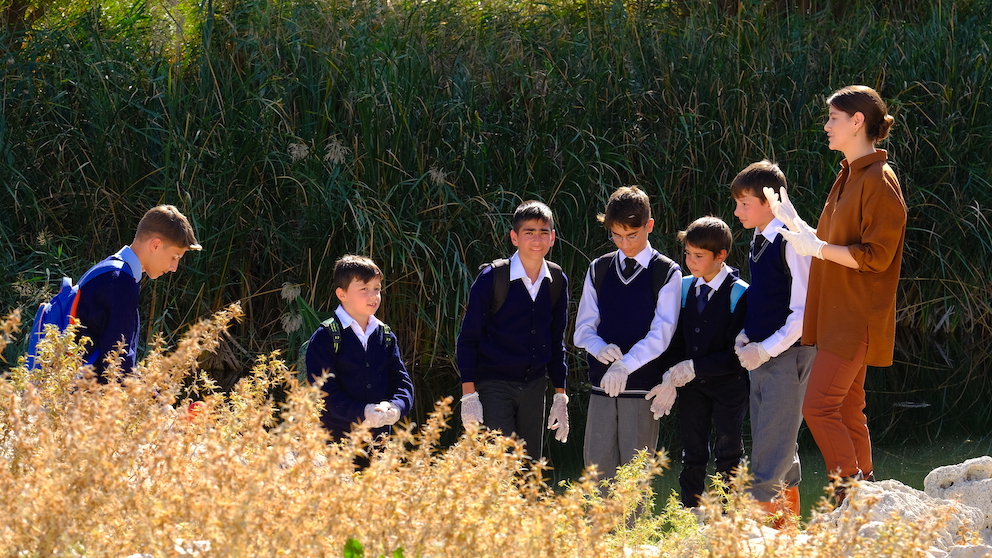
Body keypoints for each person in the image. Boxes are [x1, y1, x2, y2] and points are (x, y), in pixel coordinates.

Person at [766, 85, 907, 502]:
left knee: (819, 407)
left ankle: (849, 494)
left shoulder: (879, 180)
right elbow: (832, 245)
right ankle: (870, 495)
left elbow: (876, 256)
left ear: (857, 121)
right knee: (846, 408)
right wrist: (796, 224)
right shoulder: (848, 174)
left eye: (833, 119)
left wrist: (819, 247)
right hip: (834, 315)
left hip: (854, 318)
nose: (826, 126)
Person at [573, 186, 681, 483]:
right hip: (601, 389)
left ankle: (633, 532)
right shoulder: (599, 268)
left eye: (632, 235)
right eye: (616, 236)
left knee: (634, 480)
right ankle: (598, 532)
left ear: (649, 226)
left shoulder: (666, 272)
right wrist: (596, 346)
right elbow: (582, 328)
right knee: (597, 475)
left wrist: (624, 364)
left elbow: (662, 334)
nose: (624, 244)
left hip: (641, 391)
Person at [730, 161, 816, 526]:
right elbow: (765, 295)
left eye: (744, 203)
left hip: (787, 355)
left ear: (769, 200)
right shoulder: (759, 237)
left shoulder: (790, 239)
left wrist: (766, 349)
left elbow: (804, 309)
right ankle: (785, 531)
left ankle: (752, 533)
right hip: (760, 354)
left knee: (770, 448)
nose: (737, 211)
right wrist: (747, 333)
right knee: (778, 441)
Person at [456, 200, 569, 461]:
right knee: (499, 468)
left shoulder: (557, 280)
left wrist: (560, 395)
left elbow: (556, 339)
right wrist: (469, 395)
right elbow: (468, 339)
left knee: (530, 471)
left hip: (534, 387)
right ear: (515, 237)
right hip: (494, 385)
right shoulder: (492, 278)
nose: (537, 239)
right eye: (529, 232)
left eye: (544, 232)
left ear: (552, 238)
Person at [654, 216, 749, 509]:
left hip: (729, 387)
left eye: (698, 256)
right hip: (692, 386)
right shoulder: (683, 287)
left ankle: (726, 516)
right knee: (692, 451)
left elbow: (737, 354)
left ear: (720, 256)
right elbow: (676, 338)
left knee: (729, 450)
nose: (690, 261)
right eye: (687, 254)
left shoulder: (739, 292)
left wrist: (695, 367)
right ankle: (690, 512)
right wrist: (671, 373)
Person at [75, 204, 201, 382]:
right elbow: (117, 365)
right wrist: (159, 404)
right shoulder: (120, 282)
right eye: (175, 257)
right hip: (83, 402)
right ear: (156, 245)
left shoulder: (109, 270)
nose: (174, 268)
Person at [305, 255, 414, 443]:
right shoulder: (326, 336)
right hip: (335, 442)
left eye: (377, 289)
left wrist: (396, 407)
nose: (373, 295)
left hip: (379, 442)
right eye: (364, 289)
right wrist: (362, 413)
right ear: (342, 294)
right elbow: (324, 393)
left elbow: (402, 382)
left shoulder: (386, 335)